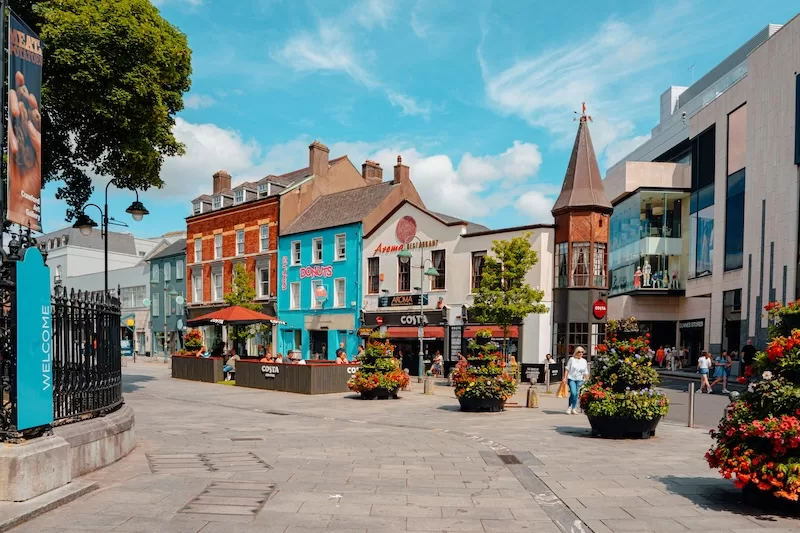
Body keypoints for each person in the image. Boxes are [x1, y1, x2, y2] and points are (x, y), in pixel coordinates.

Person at [563, 346, 589, 415]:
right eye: (579, 352)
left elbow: (585, 371)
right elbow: (567, 369)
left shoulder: (584, 361)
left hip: (580, 379)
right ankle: (569, 407)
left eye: (582, 352)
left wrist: (587, 379)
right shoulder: (572, 359)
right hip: (571, 378)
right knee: (573, 392)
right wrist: (564, 378)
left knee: (577, 394)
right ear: (576, 352)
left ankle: (573, 408)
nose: (581, 353)